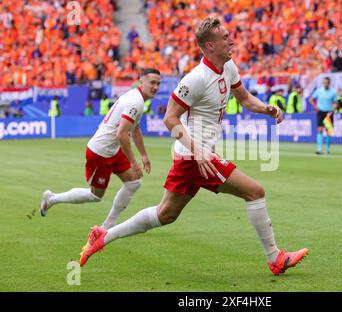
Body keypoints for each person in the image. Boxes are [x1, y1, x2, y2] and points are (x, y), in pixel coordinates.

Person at [78, 17, 308, 276]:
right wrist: (197, 150)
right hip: (194, 156)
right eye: (225, 38)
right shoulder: (196, 79)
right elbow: (170, 118)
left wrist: (267, 109)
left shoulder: (228, 66)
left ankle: (103, 236)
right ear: (210, 46)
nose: (231, 40)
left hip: (192, 157)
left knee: (166, 214)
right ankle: (275, 258)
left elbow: (244, 99)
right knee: (255, 191)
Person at [39, 69, 162, 232]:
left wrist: (144, 155)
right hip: (101, 151)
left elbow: (135, 128)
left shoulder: (137, 98)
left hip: (113, 149)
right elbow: (121, 134)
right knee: (95, 196)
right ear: (141, 82)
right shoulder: (136, 101)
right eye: (152, 82)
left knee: (134, 182)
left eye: (158, 84)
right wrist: (134, 162)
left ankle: (108, 225)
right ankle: (52, 199)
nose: (155, 87)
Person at [309, 77, 338, 154]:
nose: (325, 84)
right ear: (323, 83)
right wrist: (316, 107)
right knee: (320, 129)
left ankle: (328, 149)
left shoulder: (333, 92)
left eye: (327, 82)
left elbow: (335, 103)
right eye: (324, 82)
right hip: (320, 112)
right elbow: (311, 99)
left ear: (329, 83)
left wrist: (332, 110)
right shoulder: (319, 91)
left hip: (328, 112)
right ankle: (319, 149)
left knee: (328, 131)